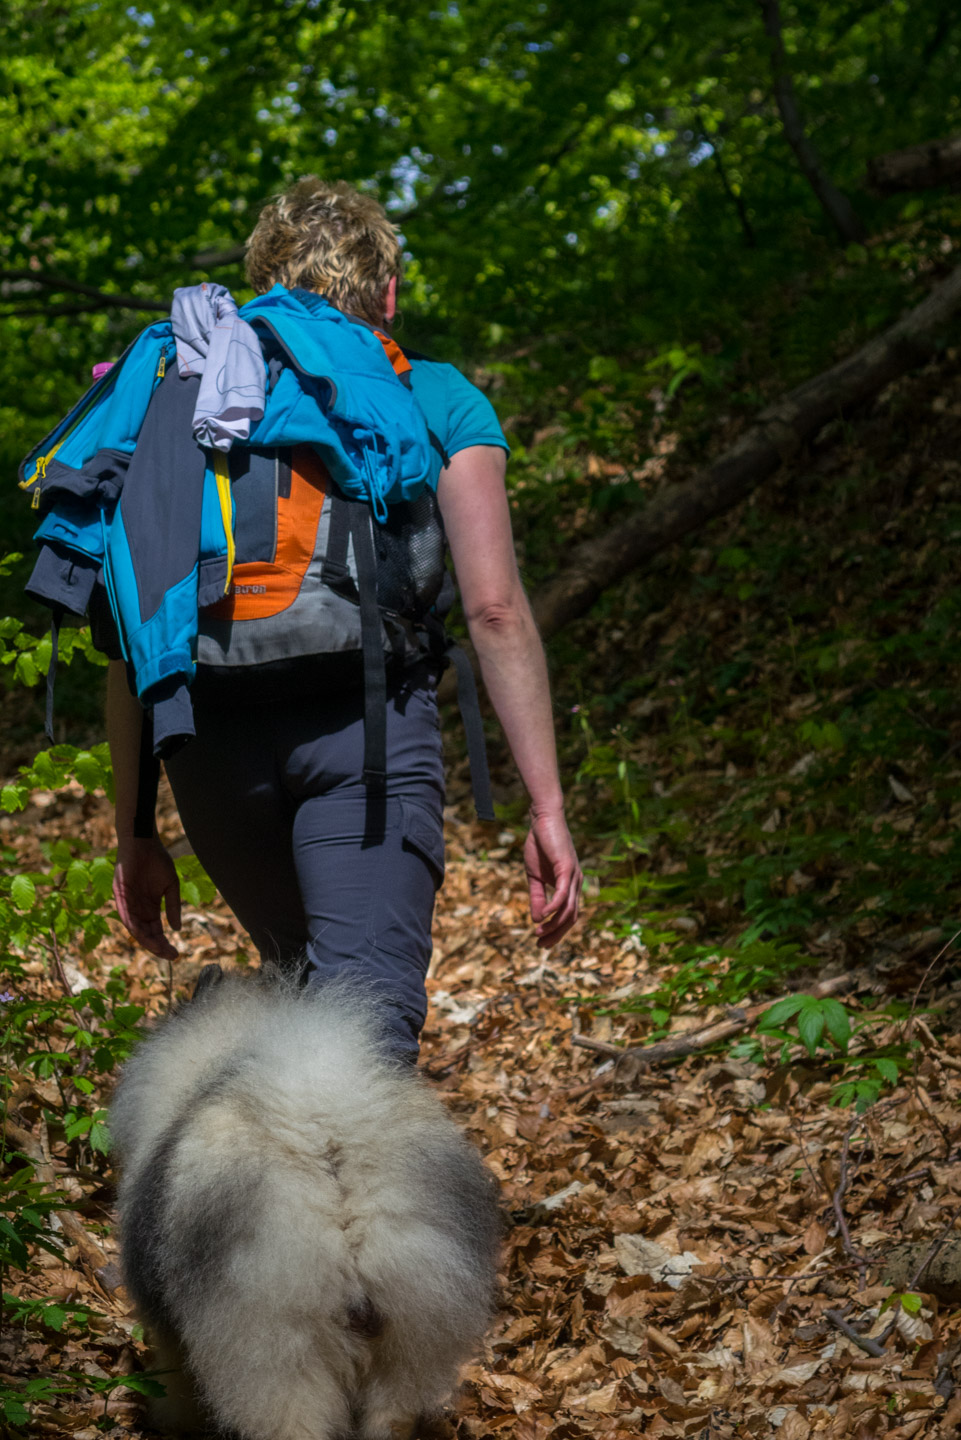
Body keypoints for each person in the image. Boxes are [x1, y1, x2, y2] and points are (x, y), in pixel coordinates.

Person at [107, 177, 581, 1061]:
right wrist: (546, 806)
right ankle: (348, 1202)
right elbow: (493, 608)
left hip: (207, 747)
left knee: (299, 989)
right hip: (363, 736)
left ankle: (271, 1192)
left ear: (262, 279)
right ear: (387, 292)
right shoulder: (433, 395)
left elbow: (135, 628)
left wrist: (134, 832)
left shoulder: (179, 399)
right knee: (364, 1025)